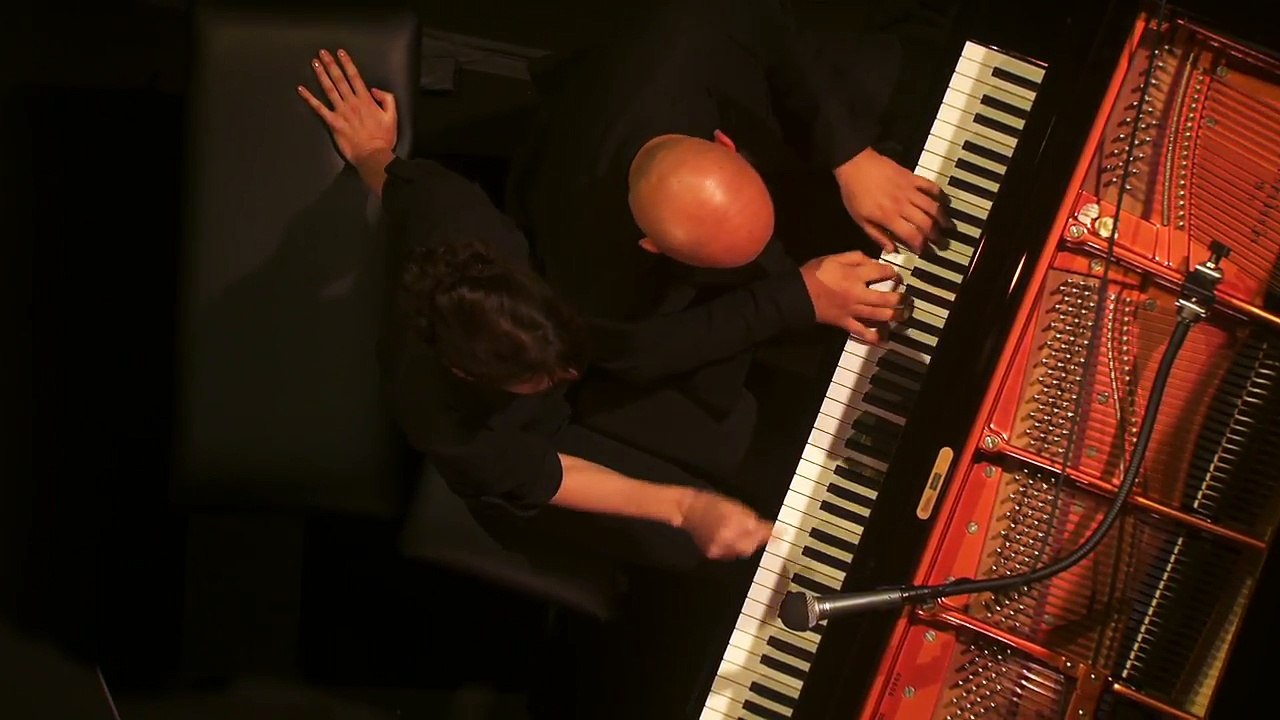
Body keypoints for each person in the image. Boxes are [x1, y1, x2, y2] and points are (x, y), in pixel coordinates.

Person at [295, 47, 772, 569]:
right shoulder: (452, 428)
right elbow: (554, 473)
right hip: (541, 445)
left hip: (567, 400)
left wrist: (368, 148)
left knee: (735, 437)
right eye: (541, 376)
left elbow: (391, 177)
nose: (561, 372)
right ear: (466, 371)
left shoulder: (457, 216)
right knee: (686, 554)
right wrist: (686, 508)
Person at [507, 0, 953, 483]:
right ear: (651, 246)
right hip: (575, 186)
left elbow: (777, 32)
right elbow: (632, 351)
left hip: (710, 89)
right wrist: (793, 299)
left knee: (892, 80)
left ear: (725, 143)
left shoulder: (692, 31)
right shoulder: (585, 255)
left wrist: (850, 155)